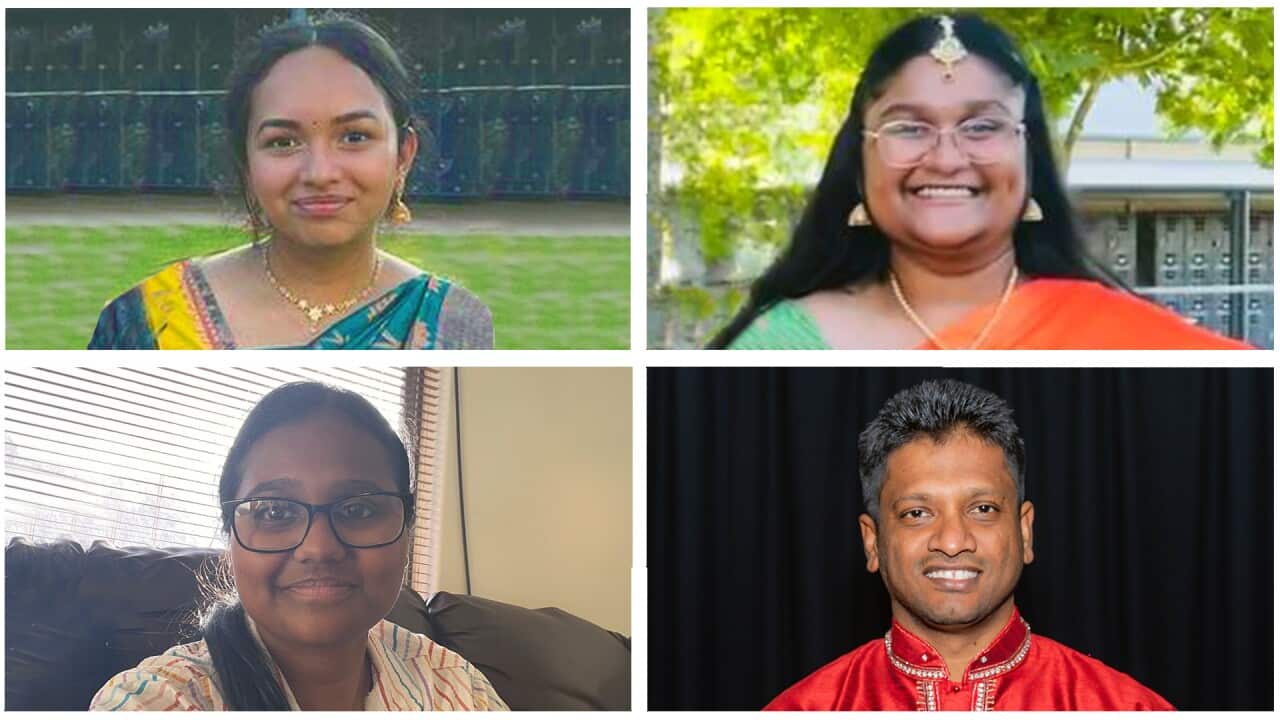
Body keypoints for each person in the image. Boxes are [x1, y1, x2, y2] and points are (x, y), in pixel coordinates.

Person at [713, 14, 1250, 349]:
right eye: (909, 127)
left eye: (983, 126)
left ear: (1029, 156)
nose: (946, 158)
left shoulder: (1130, 341)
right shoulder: (784, 345)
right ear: (859, 161)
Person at [90, 382, 507, 710]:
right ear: (230, 533)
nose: (319, 548)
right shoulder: (159, 700)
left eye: (359, 510)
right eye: (274, 512)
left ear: (407, 526)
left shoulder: (453, 684)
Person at [88, 14, 493, 349]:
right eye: (283, 142)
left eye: (354, 137)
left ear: (404, 154)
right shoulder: (148, 324)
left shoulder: (451, 325)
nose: (319, 173)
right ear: (246, 163)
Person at [765, 379, 1173, 710]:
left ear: (1025, 531)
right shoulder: (806, 708)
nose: (953, 541)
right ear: (872, 542)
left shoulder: (1123, 706)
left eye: (981, 508)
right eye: (917, 513)